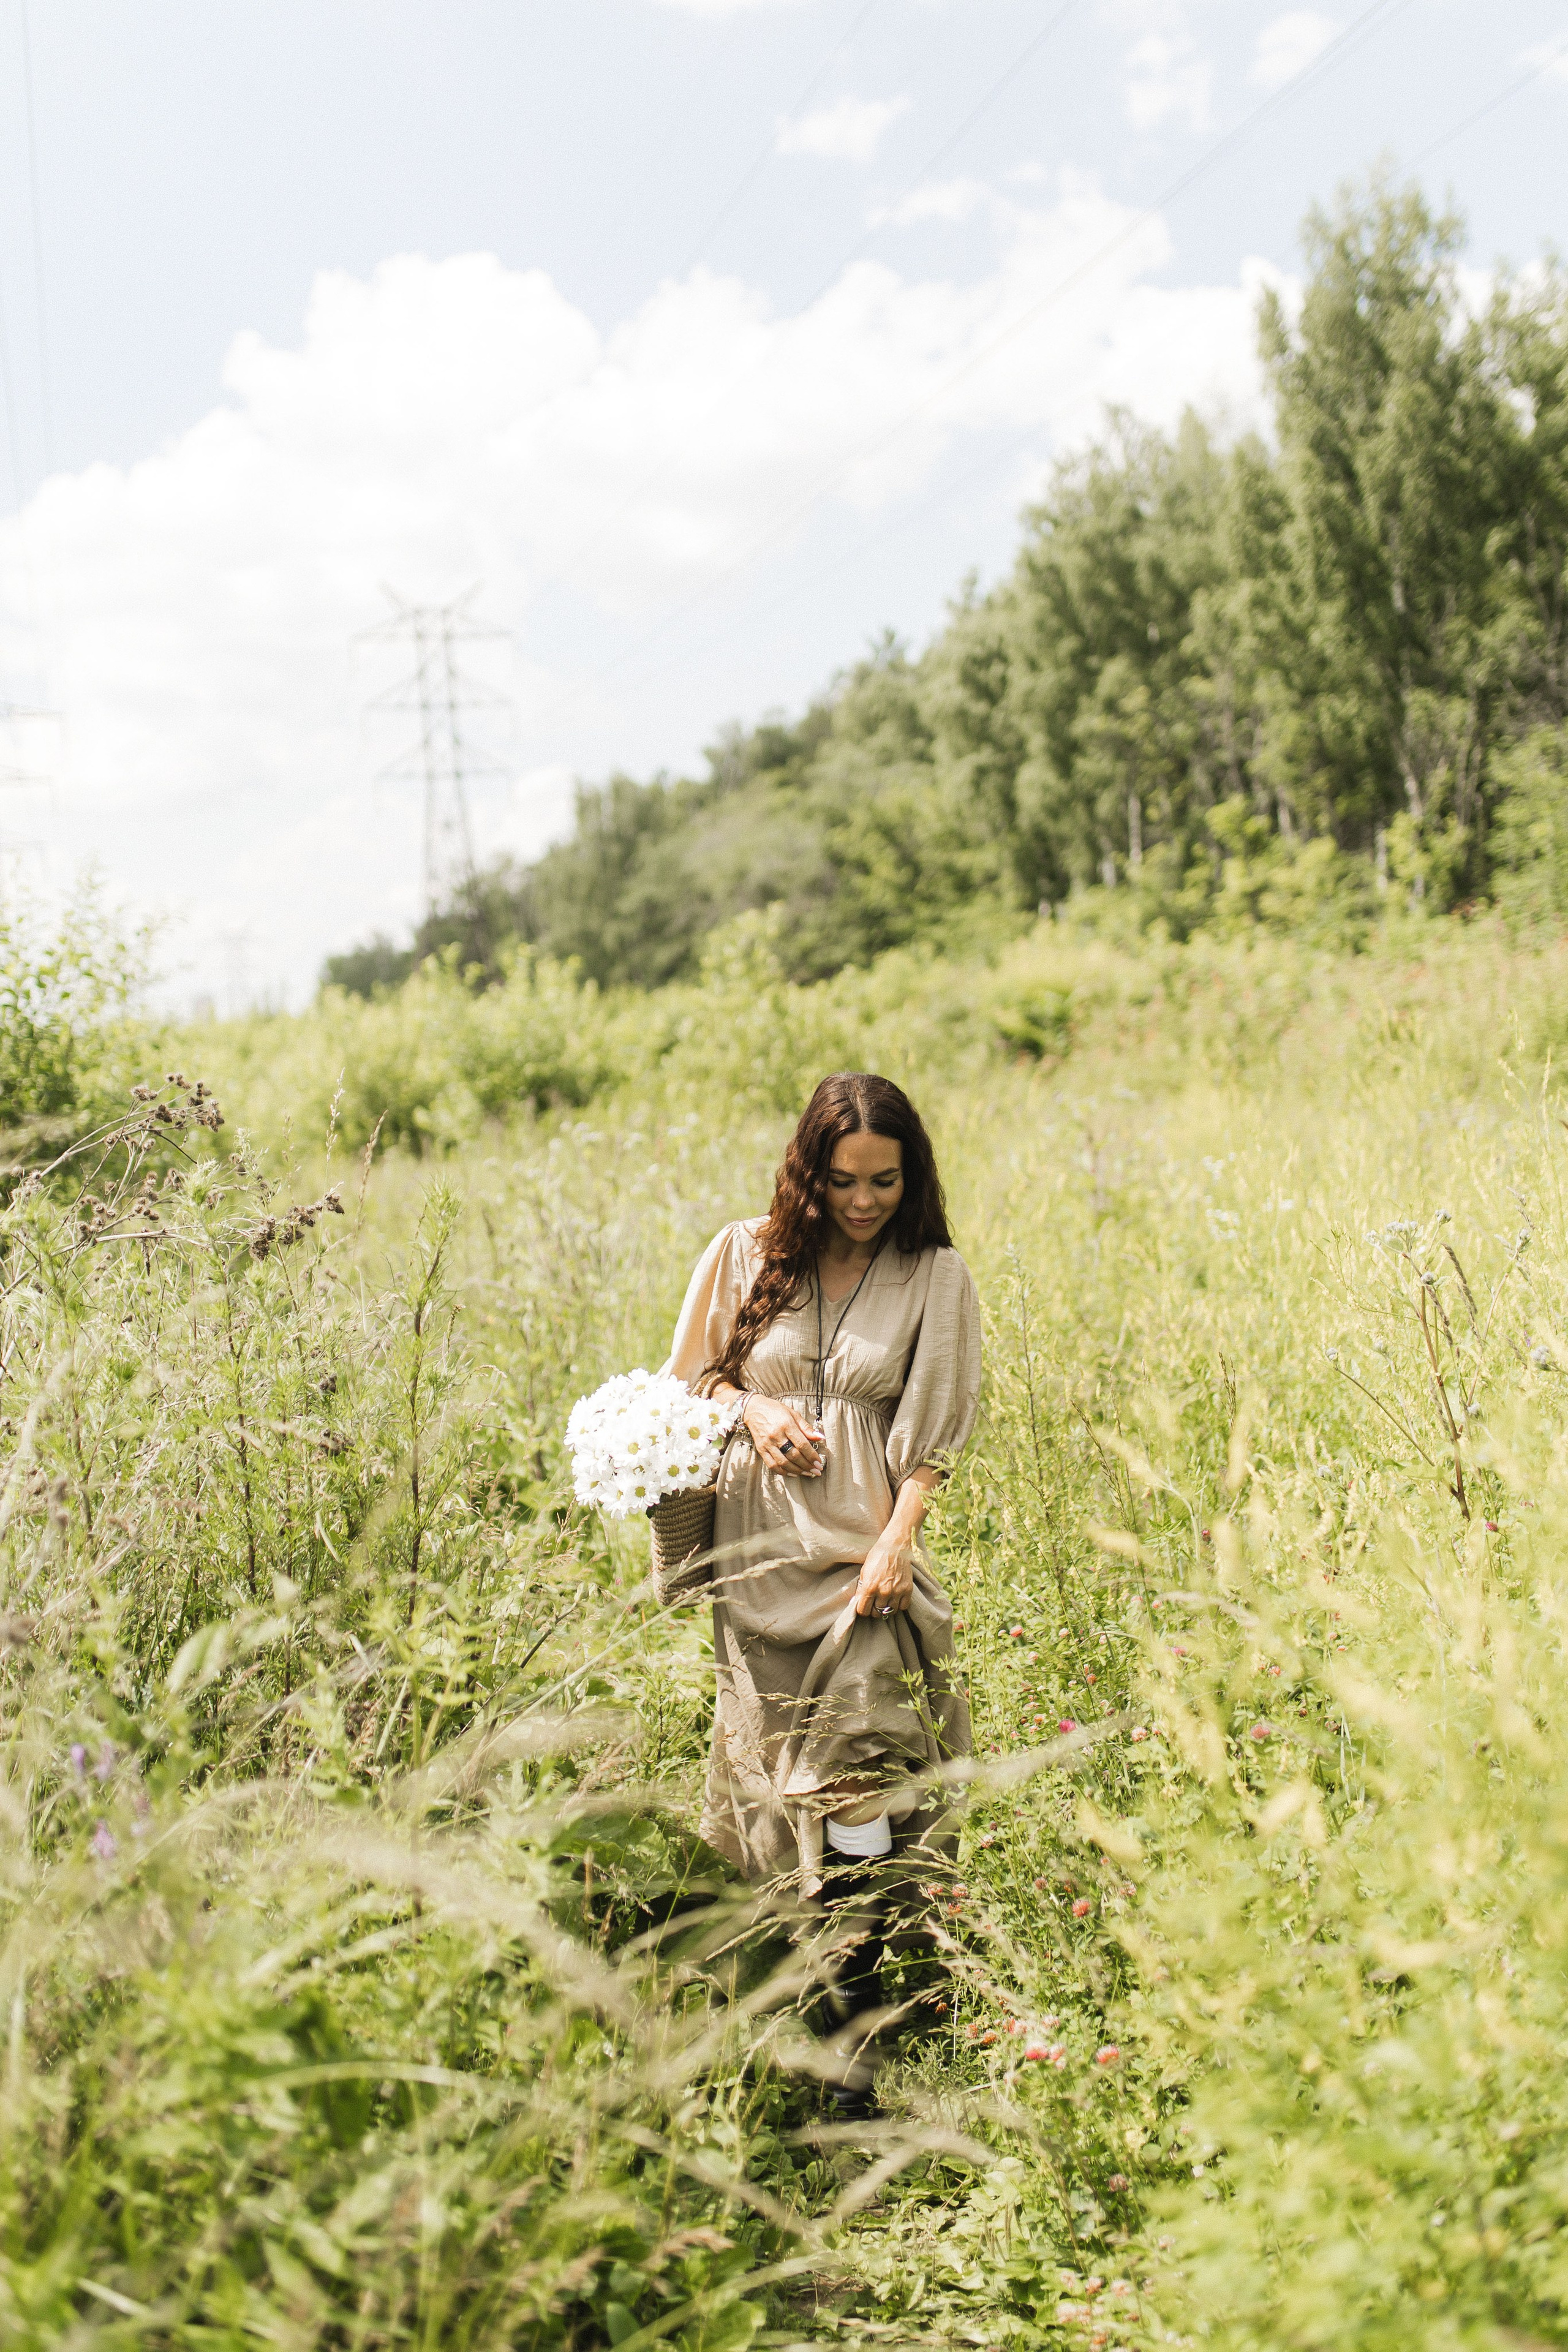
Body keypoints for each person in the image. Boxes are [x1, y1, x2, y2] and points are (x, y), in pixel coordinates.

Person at [663, 1071, 981, 2111]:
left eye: (886, 1181)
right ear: (811, 1170)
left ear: (911, 1175)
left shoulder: (934, 1275)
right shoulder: (743, 1253)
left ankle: (861, 2030)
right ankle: (802, 2007)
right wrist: (751, 1416)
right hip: (756, 1563)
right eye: (844, 1180)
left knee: (857, 1776)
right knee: (771, 1786)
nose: (864, 1201)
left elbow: (930, 1443)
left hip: (861, 1566)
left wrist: (897, 1542)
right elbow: (690, 1379)